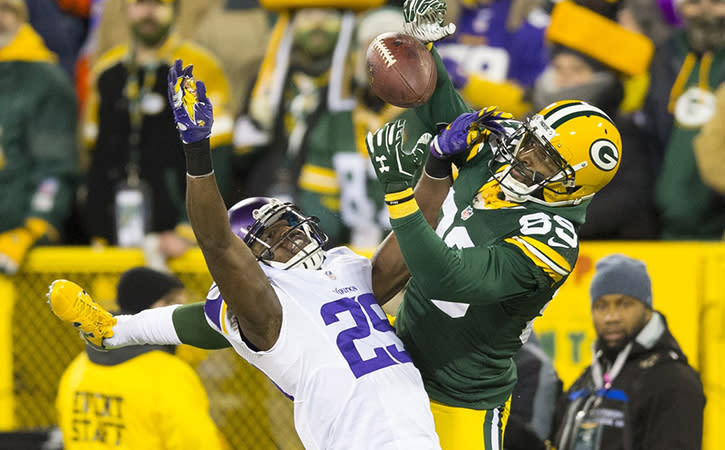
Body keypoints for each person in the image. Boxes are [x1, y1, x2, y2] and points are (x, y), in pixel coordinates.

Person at [47, 59, 442, 450]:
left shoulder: (343, 269)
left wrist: (440, 160)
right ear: (249, 263)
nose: (289, 233)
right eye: (270, 234)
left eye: (287, 222)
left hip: (418, 434)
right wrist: (197, 151)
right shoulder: (269, 311)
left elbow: (414, 234)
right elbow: (217, 244)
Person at [363, 1, 623, 447]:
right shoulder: (503, 155)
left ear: (572, 186)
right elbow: (439, 107)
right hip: (400, 366)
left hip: (460, 401)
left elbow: (447, 279)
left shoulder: (553, 240)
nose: (524, 158)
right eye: (532, 142)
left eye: (545, 160)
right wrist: (426, 48)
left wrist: (400, 196)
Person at [81, 0, 233, 266]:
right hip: (111, 233)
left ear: (174, 11)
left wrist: (190, 227)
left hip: (175, 241)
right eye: (140, 3)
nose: (148, 11)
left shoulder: (198, 66)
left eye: (158, 3)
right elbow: (94, 151)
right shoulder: (106, 71)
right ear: (126, 10)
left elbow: (217, 155)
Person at [55, 267, 226, 450]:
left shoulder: (77, 368)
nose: (181, 312)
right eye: (172, 303)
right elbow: (198, 443)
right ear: (146, 309)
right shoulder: (170, 375)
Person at [550, 254, 705, 450]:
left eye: (624, 304)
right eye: (601, 306)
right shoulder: (590, 378)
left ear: (647, 308)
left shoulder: (673, 380)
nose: (610, 317)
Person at [0, 0, 78, 275]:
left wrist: (36, 226)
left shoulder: (45, 78)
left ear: (20, 15)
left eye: (4, 9)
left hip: (18, 252)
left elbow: (55, 167)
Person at [640, 0, 725, 239]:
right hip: (665, 225)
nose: (706, 12)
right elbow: (650, 134)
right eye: (694, 3)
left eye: (717, 2)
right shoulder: (663, 54)